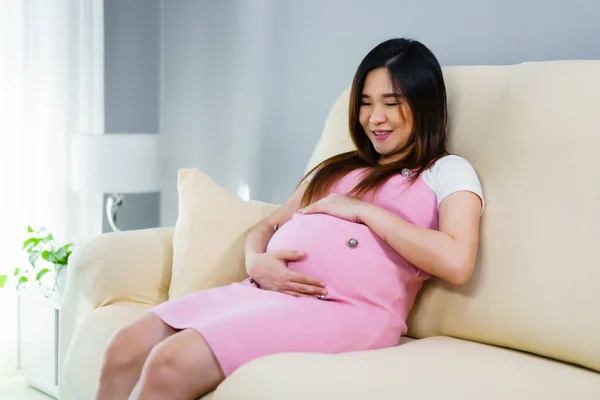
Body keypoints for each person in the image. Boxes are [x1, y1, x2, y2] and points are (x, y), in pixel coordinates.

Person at [94, 38, 484, 400]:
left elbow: (456, 261)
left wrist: (364, 211)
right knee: (124, 346)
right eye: (365, 102)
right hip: (263, 291)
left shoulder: (446, 171)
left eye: (391, 102)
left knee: (172, 361)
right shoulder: (336, 170)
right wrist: (256, 262)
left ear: (424, 103)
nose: (375, 117)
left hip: (344, 309)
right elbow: (267, 226)